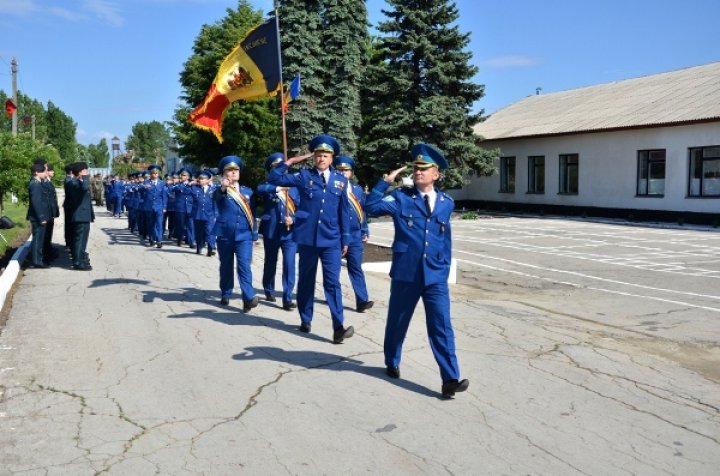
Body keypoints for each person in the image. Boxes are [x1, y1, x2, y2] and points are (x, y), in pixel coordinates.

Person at [365, 143, 469, 398]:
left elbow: (445, 240)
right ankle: (392, 360)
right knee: (398, 321)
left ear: (437, 174)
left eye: (424, 169)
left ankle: (450, 378)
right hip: (406, 272)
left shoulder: (446, 203)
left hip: (434, 275)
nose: (419, 172)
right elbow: (370, 208)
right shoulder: (401, 197)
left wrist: (444, 267)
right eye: (416, 168)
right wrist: (384, 183)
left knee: (441, 325)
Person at [266, 134, 354, 344]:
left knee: (332, 283)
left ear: (332, 158)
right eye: (318, 155)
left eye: (325, 155)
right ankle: (306, 319)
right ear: (314, 157)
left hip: (331, 239)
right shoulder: (304, 176)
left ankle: (338, 327)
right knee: (306, 281)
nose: (321, 159)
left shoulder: (341, 181)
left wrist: (346, 239)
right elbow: (274, 179)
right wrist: (290, 162)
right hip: (307, 238)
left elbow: (344, 212)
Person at [212, 156, 259, 312]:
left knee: (244, 266)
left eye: (235, 170)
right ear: (224, 173)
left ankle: (248, 298)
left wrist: (254, 235)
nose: (233, 173)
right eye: (229, 171)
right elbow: (217, 198)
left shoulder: (247, 192)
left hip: (243, 235)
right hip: (225, 234)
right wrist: (223, 188)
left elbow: (252, 214)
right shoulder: (220, 191)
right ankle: (226, 292)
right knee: (226, 265)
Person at [257, 152, 300, 311]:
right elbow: (260, 189)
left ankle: (287, 298)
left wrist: (294, 219)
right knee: (270, 262)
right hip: (272, 231)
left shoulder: (295, 187)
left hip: (289, 233)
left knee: (289, 265)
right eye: (276, 167)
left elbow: (304, 209)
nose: (281, 170)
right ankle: (268, 289)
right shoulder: (268, 185)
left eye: (282, 166)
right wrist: (277, 188)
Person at [333, 155, 374, 313]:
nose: (343, 173)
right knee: (334, 270)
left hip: (355, 235)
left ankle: (362, 300)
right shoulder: (331, 188)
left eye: (346, 170)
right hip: (337, 235)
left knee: (356, 267)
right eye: (340, 170)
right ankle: (335, 300)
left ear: (351, 172)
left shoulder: (357, 189)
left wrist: (365, 230)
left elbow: (362, 212)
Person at [65, 162, 95, 271]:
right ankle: (77, 262)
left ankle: (81, 258)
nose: (88, 172)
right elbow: (84, 188)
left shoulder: (78, 182)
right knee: (79, 239)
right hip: (79, 216)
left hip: (83, 215)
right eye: (86, 170)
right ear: (81, 171)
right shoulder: (74, 183)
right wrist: (85, 177)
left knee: (83, 240)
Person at [26, 163, 51, 268]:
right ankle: (37, 261)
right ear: (36, 172)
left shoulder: (38, 183)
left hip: (39, 216)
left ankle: (38, 259)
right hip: (38, 217)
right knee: (38, 239)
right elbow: (36, 202)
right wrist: (41, 217)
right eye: (42, 171)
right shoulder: (35, 184)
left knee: (39, 239)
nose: (44, 173)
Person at [191, 169, 217, 256]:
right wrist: (189, 184)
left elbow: (216, 202)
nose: (201, 180)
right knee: (199, 232)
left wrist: (216, 214)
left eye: (203, 179)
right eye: (200, 179)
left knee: (210, 231)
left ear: (207, 180)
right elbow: (185, 191)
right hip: (198, 215)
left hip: (210, 214)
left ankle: (210, 248)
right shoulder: (194, 188)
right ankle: (199, 247)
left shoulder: (213, 189)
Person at [140, 165, 167, 248]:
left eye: (156, 173)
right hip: (149, 207)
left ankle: (159, 240)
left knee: (159, 224)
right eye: (152, 173)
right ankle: (152, 239)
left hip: (159, 207)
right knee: (151, 224)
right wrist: (144, 187)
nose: (154, 175)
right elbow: (140, 190)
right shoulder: (146, 182)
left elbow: (164, 196)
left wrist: (164, 207)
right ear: (150, 174)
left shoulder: (162, 184)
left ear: (158, 174)